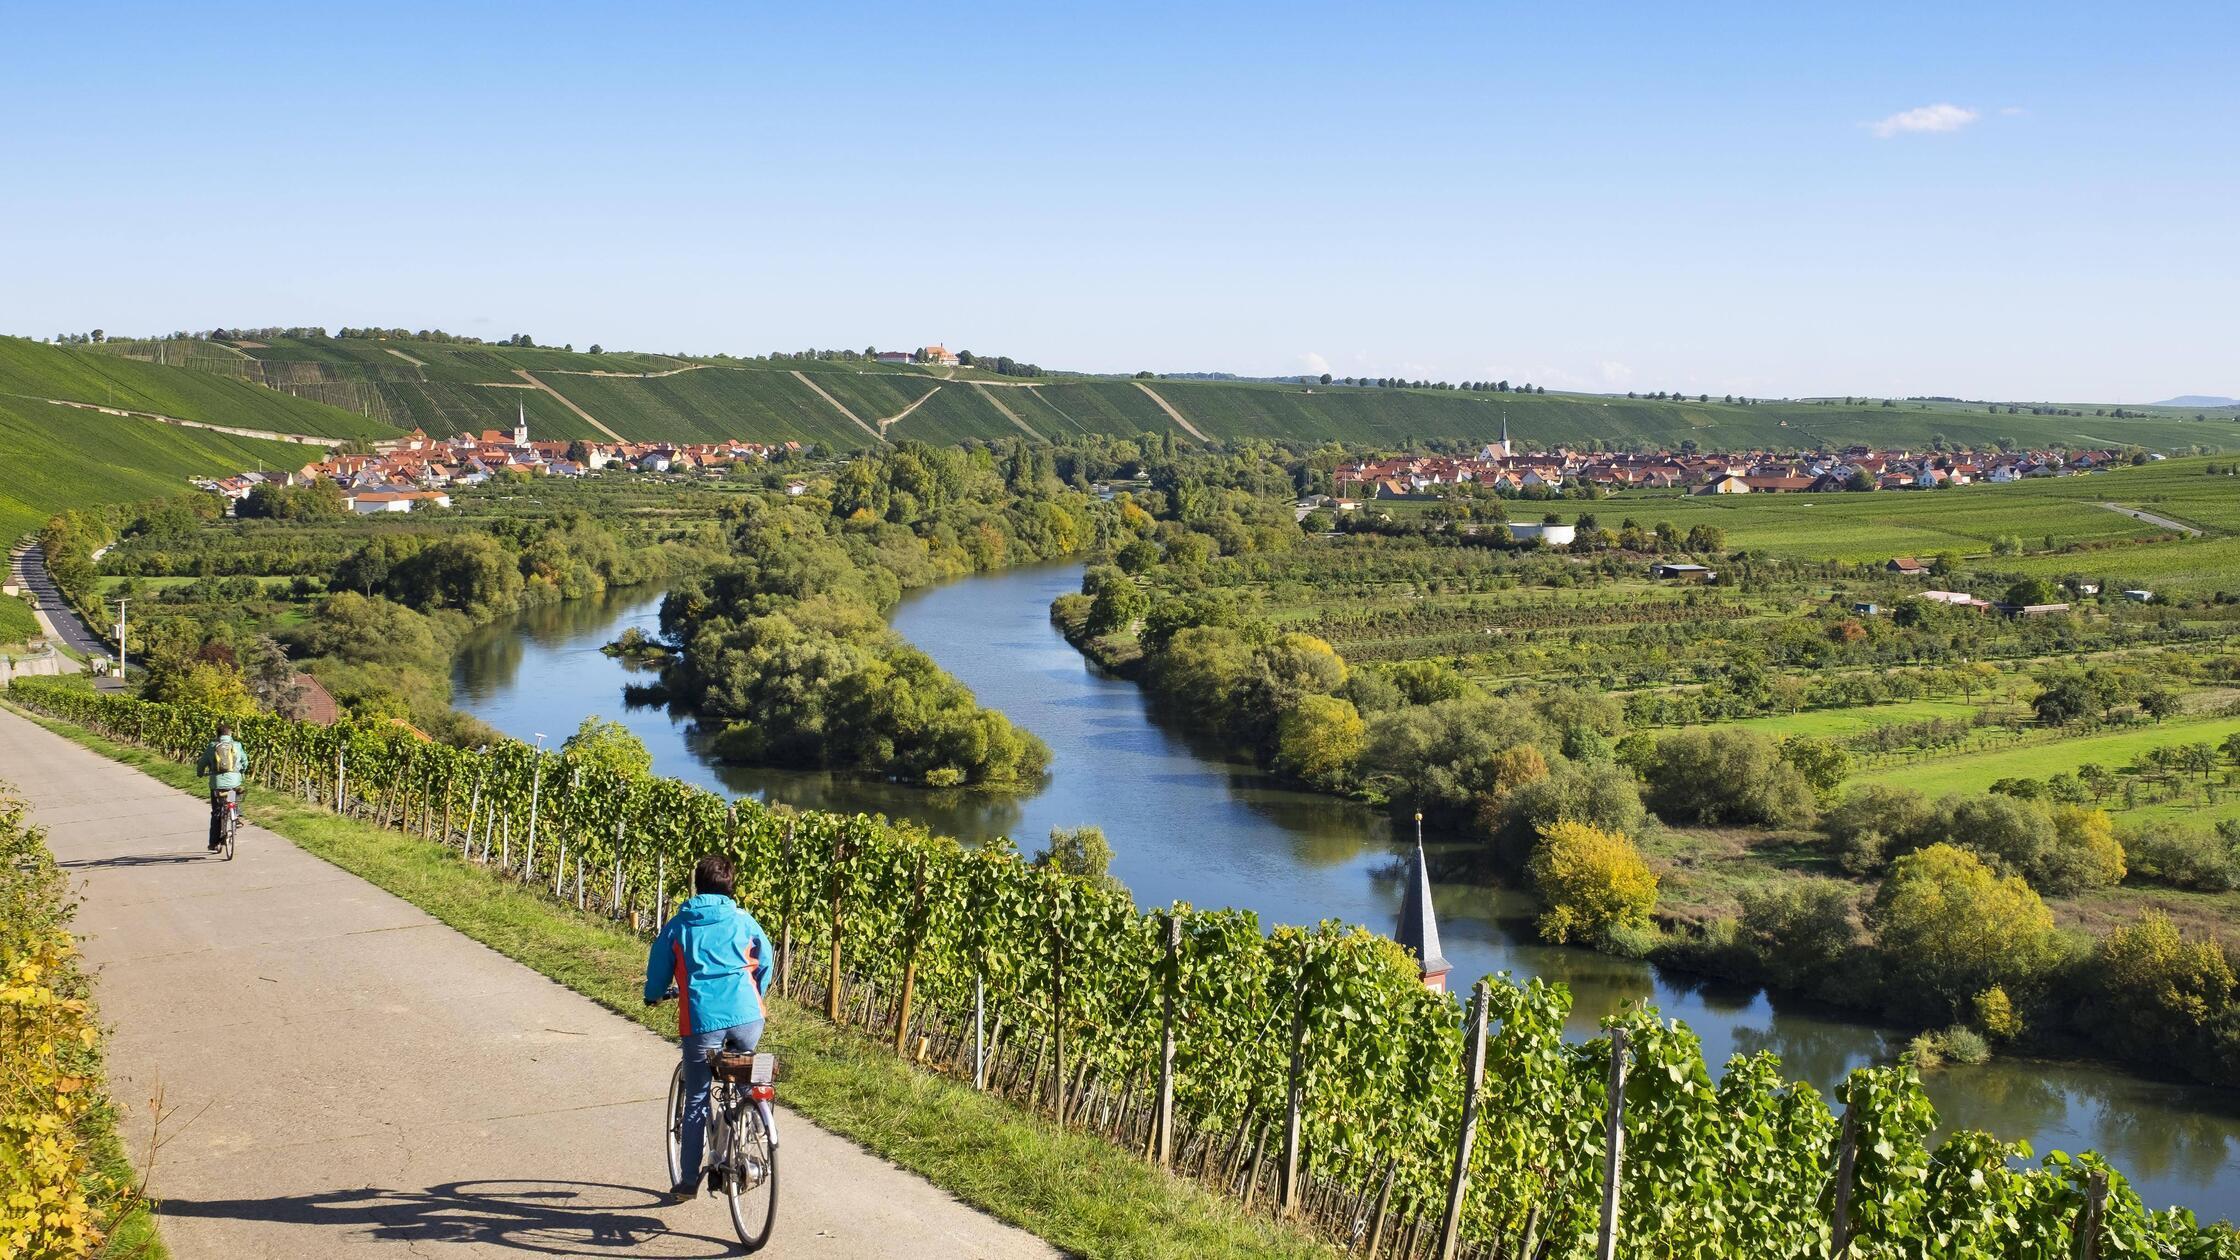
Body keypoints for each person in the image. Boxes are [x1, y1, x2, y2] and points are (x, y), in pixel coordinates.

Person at [644, 854, 774, 1202]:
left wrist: (653, 995)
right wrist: (755, 995)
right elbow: (768, 959)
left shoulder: (679, 925)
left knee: (698, 1096)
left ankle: (688, 1181)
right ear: (731, 887)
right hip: (749, 1017)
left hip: (702, 1021)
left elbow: (658, 971)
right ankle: (756, 1118)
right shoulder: (744, 920)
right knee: (747, 1069)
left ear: (696, 886)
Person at [194, 723, 250, 852]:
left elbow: (202, 763)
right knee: (232, 798)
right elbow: (245, 761)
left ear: (217, 735)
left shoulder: (212, 746)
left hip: (217, 784)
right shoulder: (237, 746)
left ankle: (213, 842)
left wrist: (200, 773)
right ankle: (235, 815)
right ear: (230, 734)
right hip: (233, 782)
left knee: (216, 812)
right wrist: (242, 771)